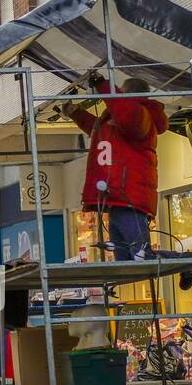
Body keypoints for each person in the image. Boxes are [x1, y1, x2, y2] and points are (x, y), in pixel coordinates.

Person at [61, 73, 168, 262]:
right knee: (127, 259)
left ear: (126, 95)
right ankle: (183, 262)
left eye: (120, 92)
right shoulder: (124, 121)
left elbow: (125, 111)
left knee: (141, 257)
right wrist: (75, 113)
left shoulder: (139, 115)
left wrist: (104, 86)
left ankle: (187, 262)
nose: (116, 96)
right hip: (119, 199)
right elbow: (99, 131)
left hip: (129, 199)